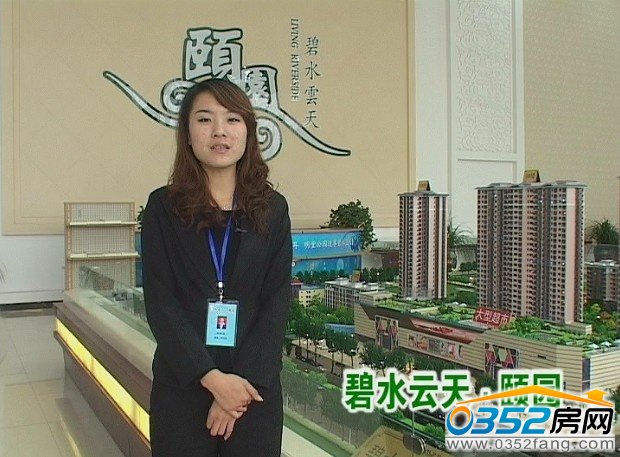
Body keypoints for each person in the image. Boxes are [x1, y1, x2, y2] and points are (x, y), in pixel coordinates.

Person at [141, 78, 292, 457]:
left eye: (232, 119)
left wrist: (236, 389)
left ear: (248, 132)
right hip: (183, 385)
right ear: (188, 135)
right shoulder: (163, 209)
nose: (220, 131)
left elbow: (276, 302)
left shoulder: (273, 209)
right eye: (205, 119)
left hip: (252, 391)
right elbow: (161, 302)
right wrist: (212, 379)